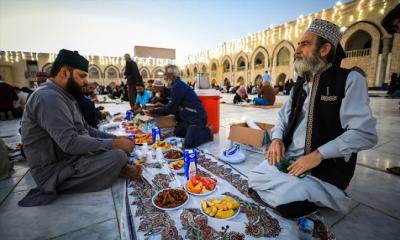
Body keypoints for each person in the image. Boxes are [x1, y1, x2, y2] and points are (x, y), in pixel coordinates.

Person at [248, 19, 377, 218]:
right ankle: (295, 192)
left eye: (304, 44)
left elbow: (364, 133)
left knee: (285, 201)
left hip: (323, 169)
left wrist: (317, 155)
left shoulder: (349, 80)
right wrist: (276, 139)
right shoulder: (299, 85)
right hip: (291, 159)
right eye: (298, 44)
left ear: (324, 49)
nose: (297, 49)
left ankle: (309, 194)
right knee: (254, 178)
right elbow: (283, 117)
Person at [20, 49, 142, 207]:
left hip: (72, 159)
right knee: (117, 156)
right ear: (65, 73)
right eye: (82, 76)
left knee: (118, 149)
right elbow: (69, 143)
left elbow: (87, 130)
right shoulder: (48, 97)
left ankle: (113, 169)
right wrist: (113, 144)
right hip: (55, 172)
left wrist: (116, 139)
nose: (86, 81)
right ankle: (116, 170)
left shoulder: (64, 96)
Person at [148, 65, 212, 148]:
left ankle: (207, 133)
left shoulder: (177, 86)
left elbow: (170, 108)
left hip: (196, 119)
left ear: (171, 75)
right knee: (177, 133)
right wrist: (160, 108)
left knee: (188, 144)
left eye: (165, 75)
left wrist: (155, 112)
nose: (165, 77)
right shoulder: (176, 85)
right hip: (188, 119)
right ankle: (193, 131)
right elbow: (173, 104)